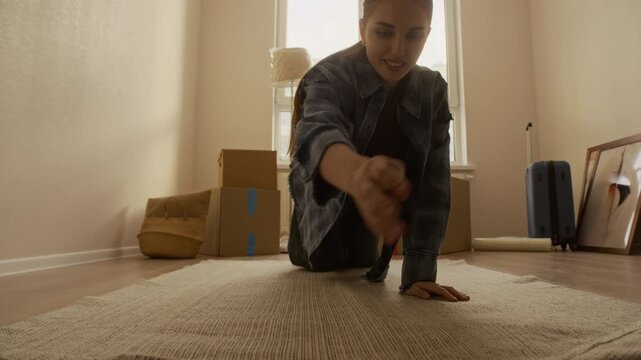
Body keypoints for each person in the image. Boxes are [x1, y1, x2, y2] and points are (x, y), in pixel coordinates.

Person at [287, 0, 469, 302]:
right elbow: (318, 133)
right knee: (331, 266)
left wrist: (420, 272)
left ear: (428, 34)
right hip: (315, 240)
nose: (398, 50)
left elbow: (434, 184)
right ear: (362, 28)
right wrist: (359, 175)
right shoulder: (328, 75)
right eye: (384, 32)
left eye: (414, 35)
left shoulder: (432, 89)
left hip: (369, 245)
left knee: (361, 262)